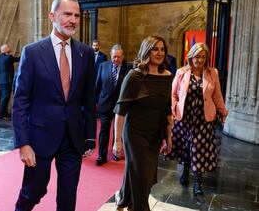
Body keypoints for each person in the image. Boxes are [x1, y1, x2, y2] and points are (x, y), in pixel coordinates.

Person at [12, 0, 96, 211]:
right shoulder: (32, 52)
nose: (74, 20)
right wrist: (23, 143)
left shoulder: (85, 53)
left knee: (68, 198)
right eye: (68, 14)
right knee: (34, 191)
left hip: (72, 138)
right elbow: (20, 100)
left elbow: (88, 97)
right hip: (40, 138)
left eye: (77, 15)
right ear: (52, 16)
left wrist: (89, 136)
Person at [113, 36, 173, 211]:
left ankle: (123, 198)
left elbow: (167, 109)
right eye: (155, 49)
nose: (160, 53)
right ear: (146, 51)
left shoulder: (167, 76)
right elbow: (121, 110)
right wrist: (117, 141)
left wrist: (168, 137)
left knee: (143, 175)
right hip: (135, 134)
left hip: (155, 134)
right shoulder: (134, 76)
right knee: (141, 176)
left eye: (162, 49)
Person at [166, 42, 228, 196]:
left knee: (198, 148)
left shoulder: (212, 72)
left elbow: (217, 95)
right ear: (191, 56)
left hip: (203, 119)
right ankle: (185, 172)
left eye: (203, 57)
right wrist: (174, 110)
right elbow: (173, 94)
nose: (200, 60)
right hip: (185, 118)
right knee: (187, 148)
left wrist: (223, 112)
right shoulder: (181, 72)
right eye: (197, 56)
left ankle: (197, 183)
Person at [95, 44, 130, 166]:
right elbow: (97, 86)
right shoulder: (103, 66)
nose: (116, 59)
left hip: (121, 106)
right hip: (105, 104)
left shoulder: (129, 68)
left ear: (123, 56)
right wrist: (95, 102)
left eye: (119, 57)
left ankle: (116, 153)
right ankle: (101, 155)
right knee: (104, 130)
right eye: (114, 57)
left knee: (118, 131)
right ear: (111, 55)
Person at [0, 44, 20, 120]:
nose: (9, 48)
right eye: (8, 47)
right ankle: (2, 115)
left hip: (0, 80)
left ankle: (3, 114)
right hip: (7, 80)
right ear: (5, 50)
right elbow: (19, 58)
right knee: (5, 98)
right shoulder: (9, 57)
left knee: (3, 97)